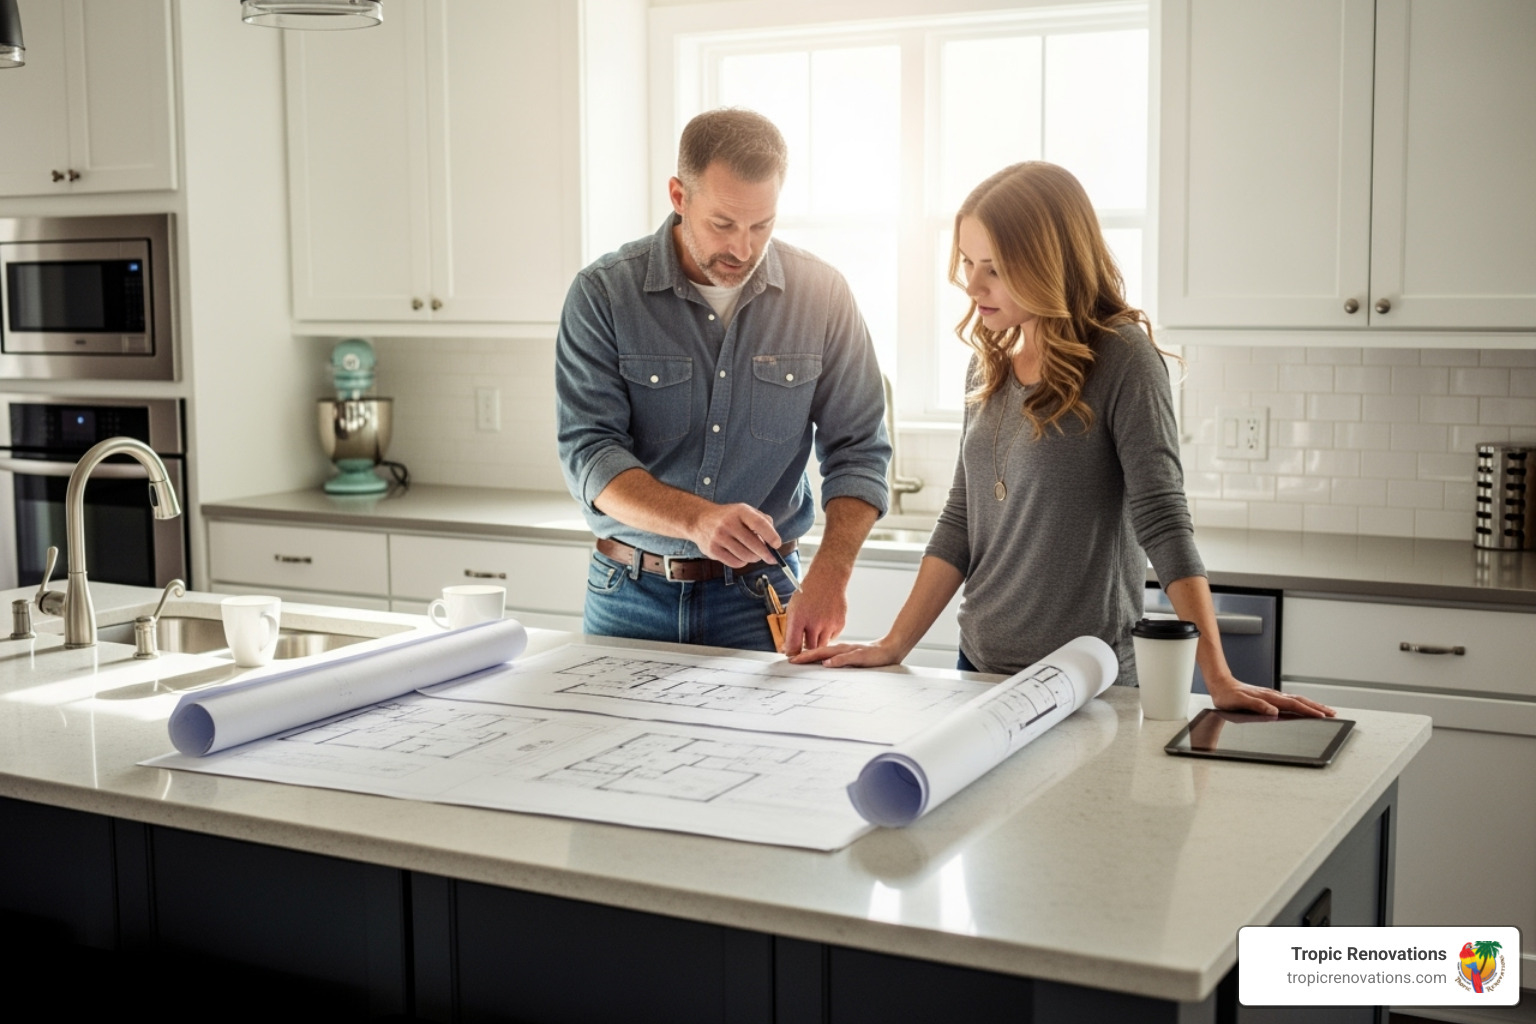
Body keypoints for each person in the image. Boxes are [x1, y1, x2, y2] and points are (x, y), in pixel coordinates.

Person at [792, 161, 1332, 718]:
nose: (972, 285)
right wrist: (894, 643)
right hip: (977, 671)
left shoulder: (1124, 360)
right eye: (968, 263)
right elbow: (961, 520)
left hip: (1085, 682)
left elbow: (1164, 520)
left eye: (994, 269)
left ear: (1049, 264)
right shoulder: (989, 364)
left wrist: (1217, 675)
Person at [555, 108, 892, 655]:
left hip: (764, 598)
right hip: (629, 597)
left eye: (762, 226)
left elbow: (860, 451)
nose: (743, 249)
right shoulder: (604, 294)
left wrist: (832, 574)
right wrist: (697, 519)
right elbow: (590, 455)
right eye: (723, 224)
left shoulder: (822, 294)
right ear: (678, 195)